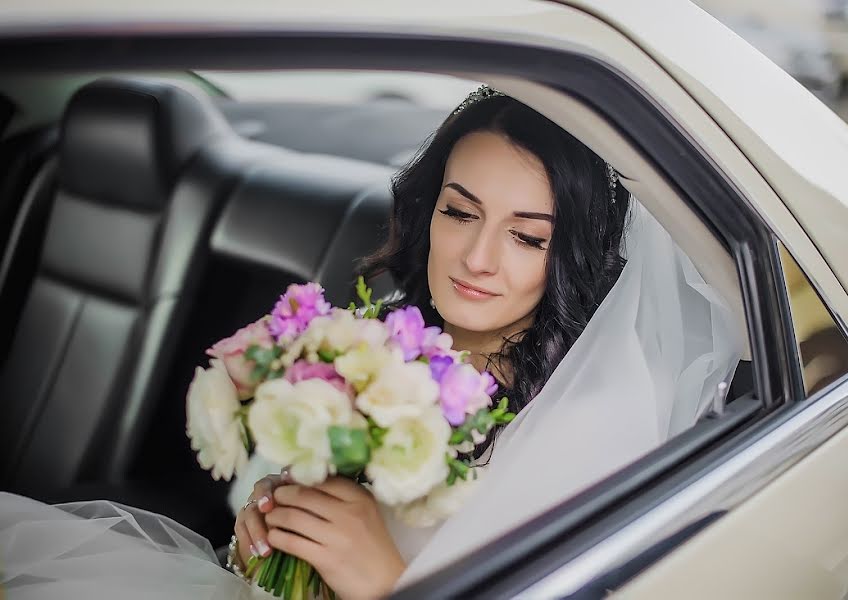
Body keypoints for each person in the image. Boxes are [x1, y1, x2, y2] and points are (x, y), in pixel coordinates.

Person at [0, 87, 742, 600]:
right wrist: (276, 521)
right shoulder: (391, 339)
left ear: (572, 253)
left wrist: (387, 583)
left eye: (526, 236)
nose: (478, 258)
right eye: (460, 212)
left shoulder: (596, 413)